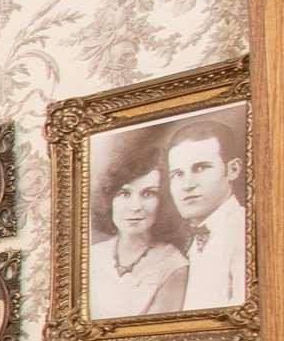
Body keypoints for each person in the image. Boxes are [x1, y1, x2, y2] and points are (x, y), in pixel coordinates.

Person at [87, 141, 189, 318]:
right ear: (110, 199)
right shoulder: (92, 255)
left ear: (164, 201)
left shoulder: (174, 265)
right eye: (124, 193)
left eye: (148, 193)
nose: (135, 206)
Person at [168, 123, 247, 309]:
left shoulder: (245, 230)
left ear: (233, 170)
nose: (187, 184)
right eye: (178, 174)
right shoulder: (193, 239)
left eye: (201, 168)